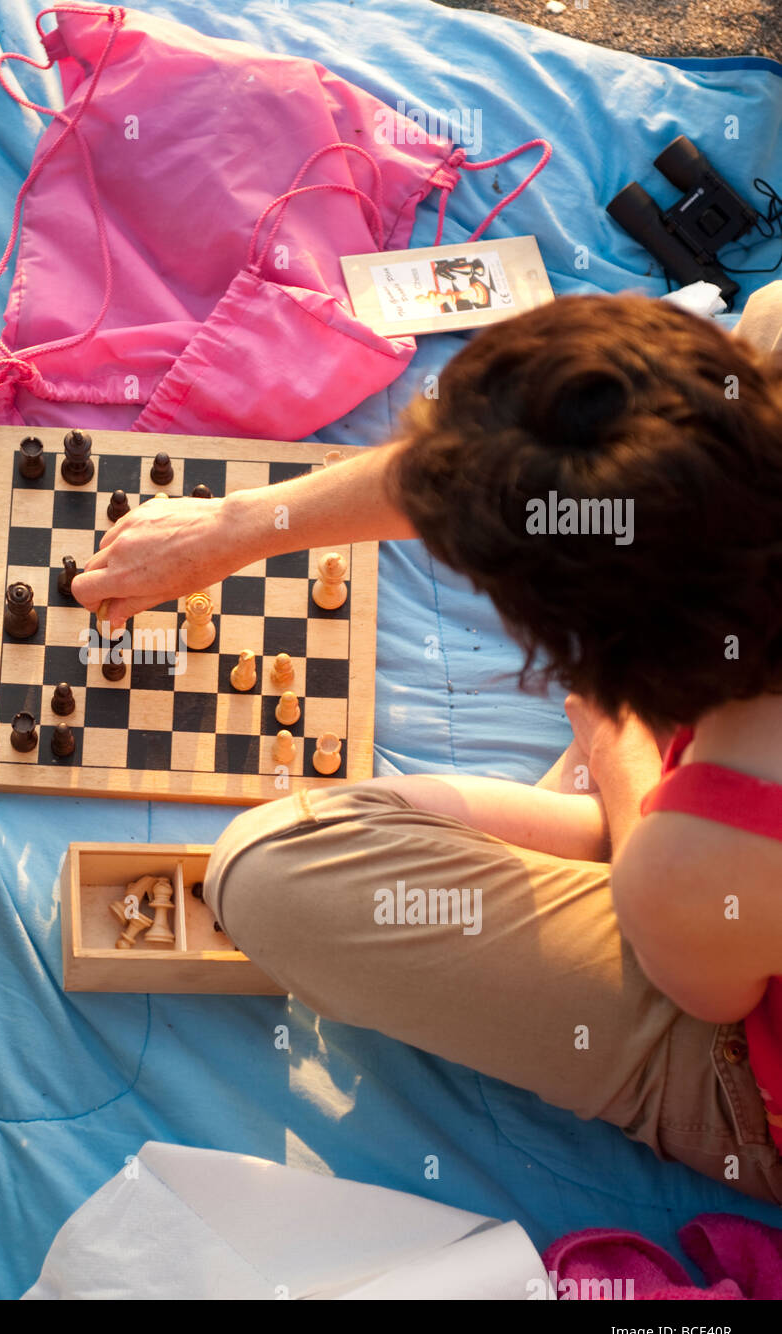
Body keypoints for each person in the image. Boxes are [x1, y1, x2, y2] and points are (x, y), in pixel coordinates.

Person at [72, 285, 782, 1203]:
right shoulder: (751, 409)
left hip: (728, 1012)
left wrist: (614, 750)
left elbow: (706, 990)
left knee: (269, 874)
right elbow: (521, 470)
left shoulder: (708, 847)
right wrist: (239, 526)